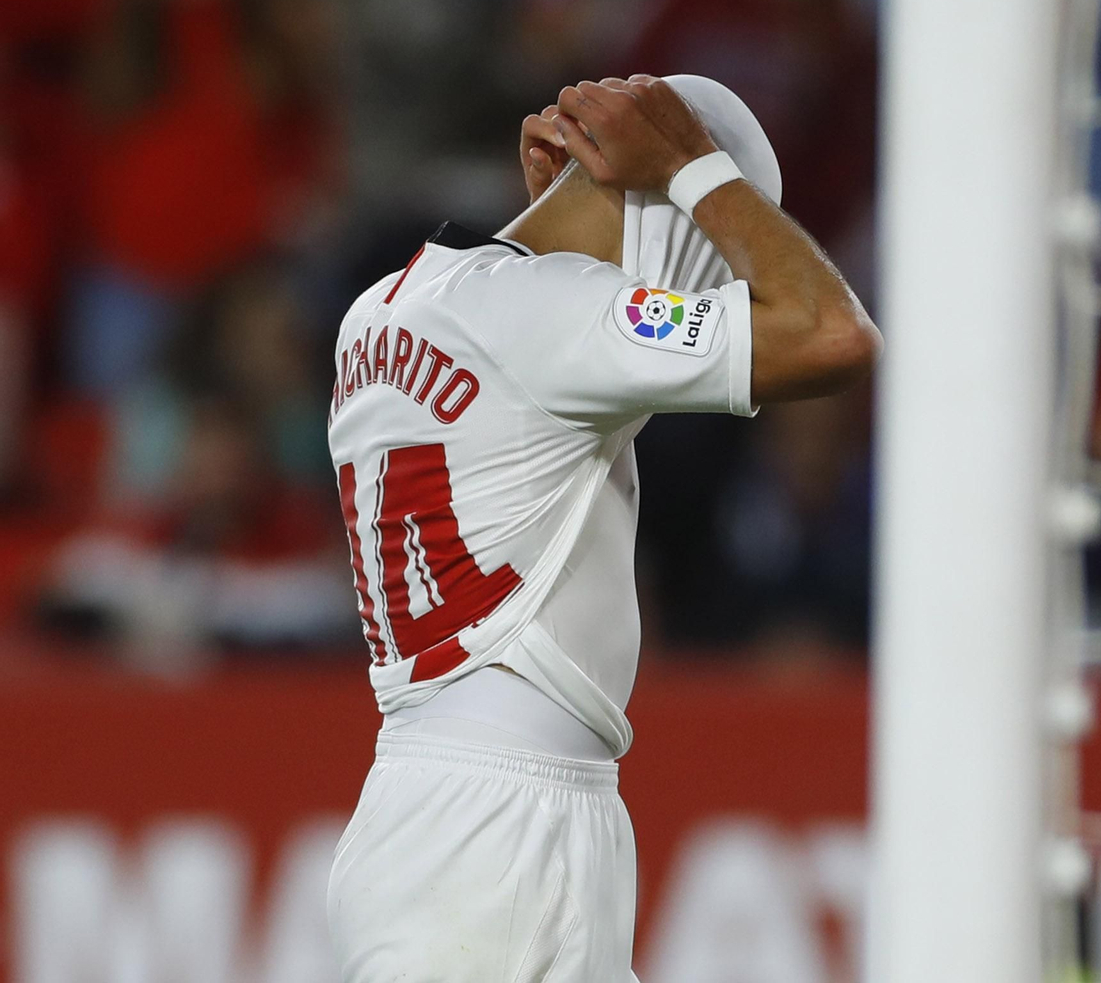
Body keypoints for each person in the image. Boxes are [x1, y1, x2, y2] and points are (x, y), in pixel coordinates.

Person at [324, 74, 879, 982]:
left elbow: (529, 347)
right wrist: (697, 170)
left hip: (442, 802)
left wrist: (562, 204)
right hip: (498, 826)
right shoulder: (557, 314)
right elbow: (830, 336)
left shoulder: (387, 305)